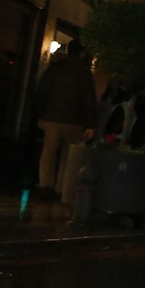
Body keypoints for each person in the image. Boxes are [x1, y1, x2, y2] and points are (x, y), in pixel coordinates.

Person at [34, 40, 97, 197]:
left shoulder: (54, 69)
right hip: (74, 120)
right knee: (67, 158)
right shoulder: (84, 73)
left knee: (48, 153)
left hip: (52, 117)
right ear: (82, 53)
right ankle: (61, 188)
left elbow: (43, 91)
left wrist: (40, 114)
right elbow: (89, 100)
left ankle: (45, 186)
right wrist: (89, 124)